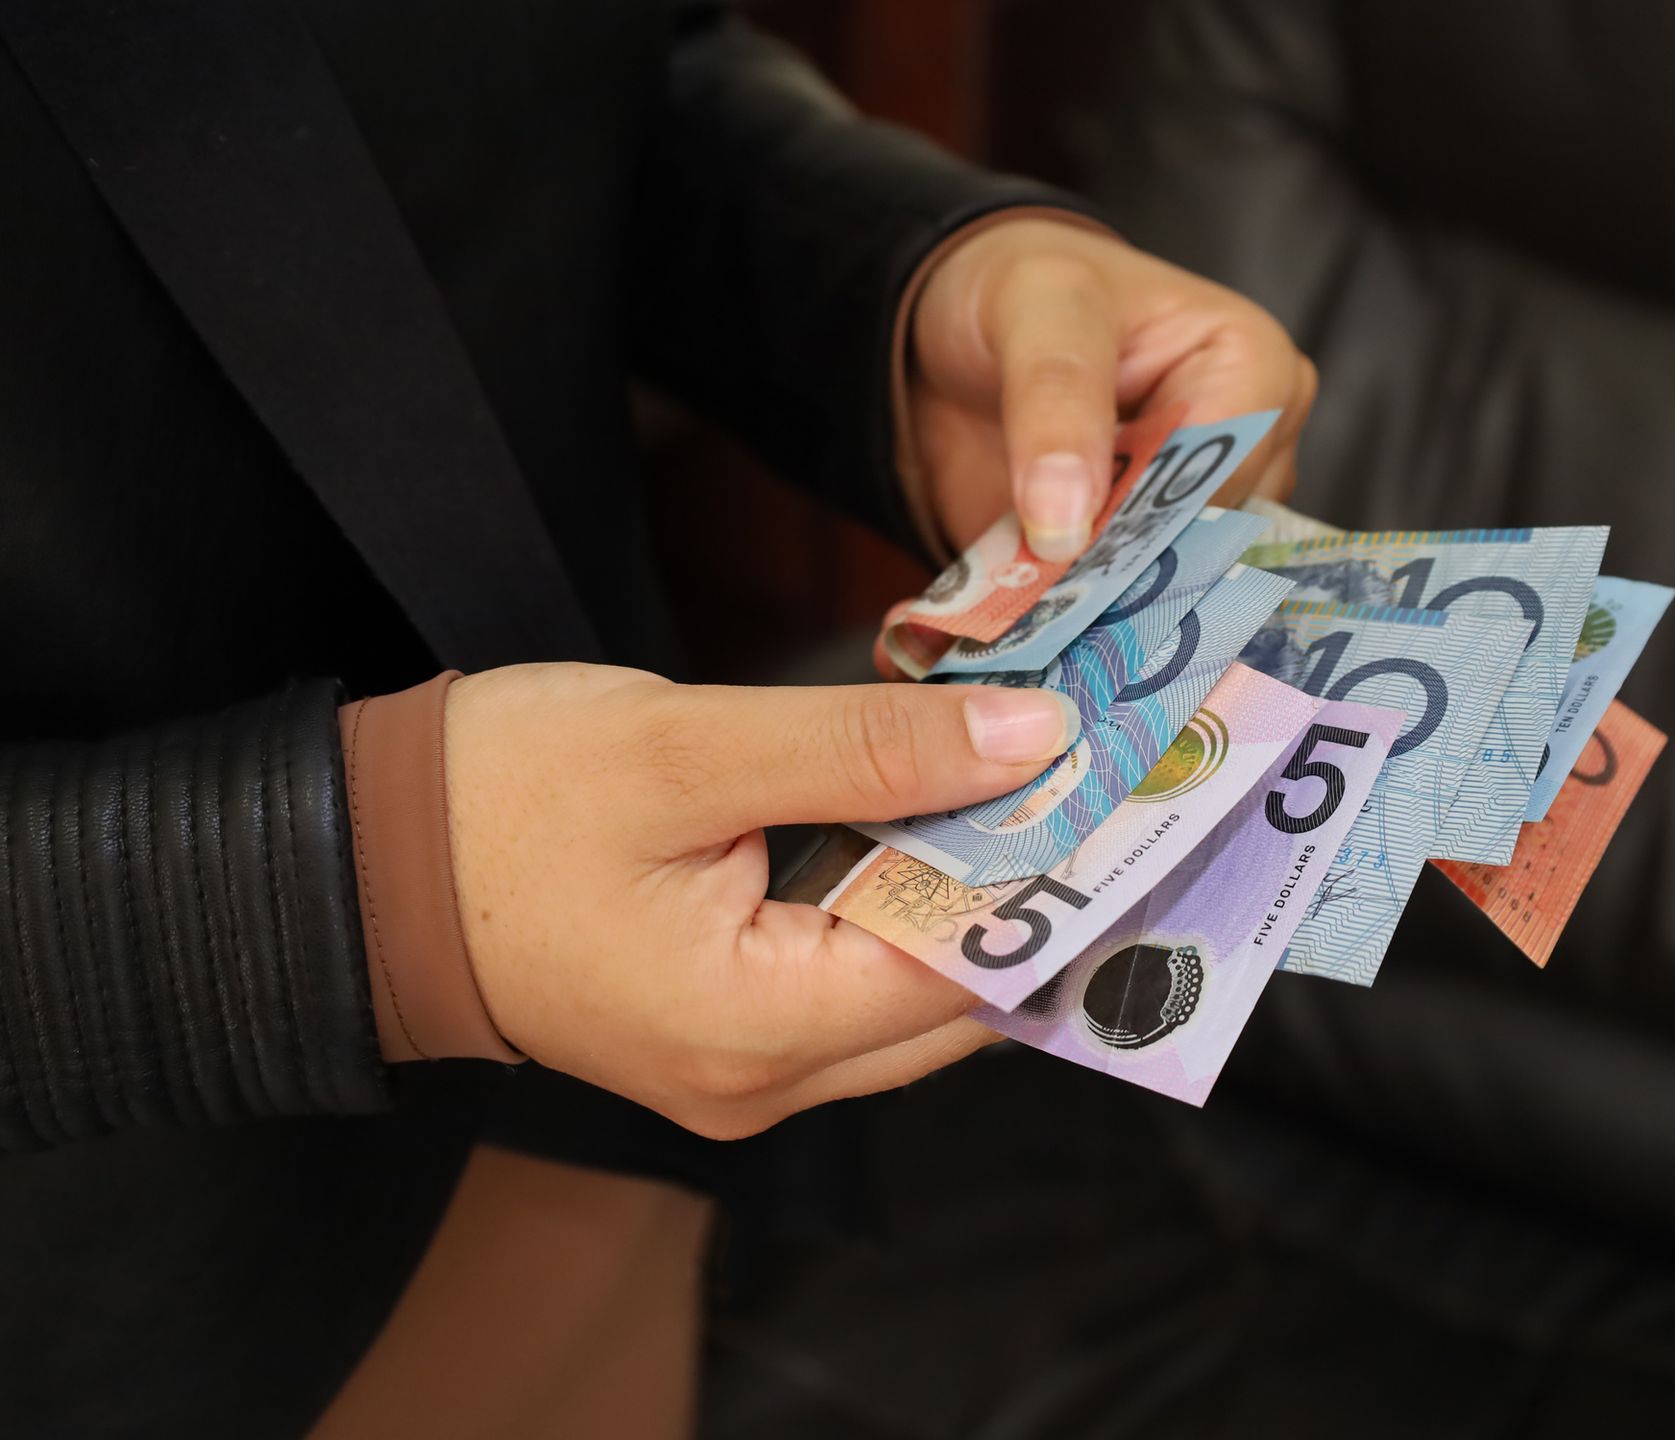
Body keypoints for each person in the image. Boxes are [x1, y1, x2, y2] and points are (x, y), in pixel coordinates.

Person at [0, 1, 1316, 1433]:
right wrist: (334, 897)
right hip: (110, 1270)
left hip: (584, 1103)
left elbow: (524, 83)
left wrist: (898, 276)